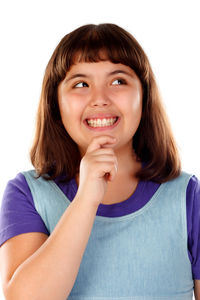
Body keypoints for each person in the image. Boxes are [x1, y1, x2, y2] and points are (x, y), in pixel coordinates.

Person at [0, 23, 199, 300]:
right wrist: (86, 200)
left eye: (118, 81)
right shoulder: (26, 194)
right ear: (55, 103)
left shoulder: (187, 196)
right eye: (81, 84)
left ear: (144, 96)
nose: (100, 99)